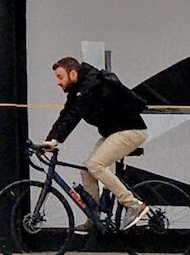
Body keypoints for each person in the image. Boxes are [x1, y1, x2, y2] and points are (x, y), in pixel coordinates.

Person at [39, 55, 151, 227]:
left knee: (95, 165)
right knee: (87, 170)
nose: (57, 82)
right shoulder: (79, 89)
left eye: (60, 77)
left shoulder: (90, 85)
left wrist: (56, 140)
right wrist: (49, 140)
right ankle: (94, 217)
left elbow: (74, 115)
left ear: (73, 74)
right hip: (114, 132)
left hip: (131, 130)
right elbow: (66, 114)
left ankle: (133, 205)